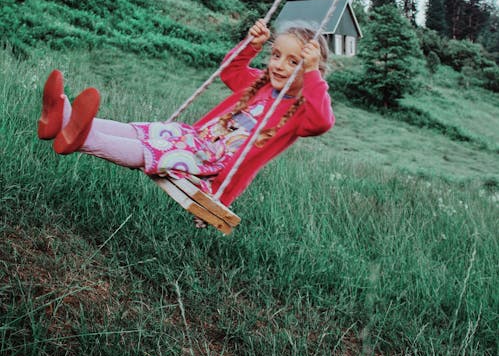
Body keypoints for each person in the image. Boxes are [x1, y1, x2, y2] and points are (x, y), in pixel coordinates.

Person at [37, 19, 334, 214]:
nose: (280, 65)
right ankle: (62, 119)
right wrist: (252, 45)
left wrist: (310, 73)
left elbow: (322, 122)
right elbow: (229, 70)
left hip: (210, 168)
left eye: (294, 61)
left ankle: (84, 137)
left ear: (311, 70)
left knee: (161, 148)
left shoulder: (300, 113)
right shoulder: (259, 82)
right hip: (195, 141)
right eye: (276, 55)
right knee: (151, 131)